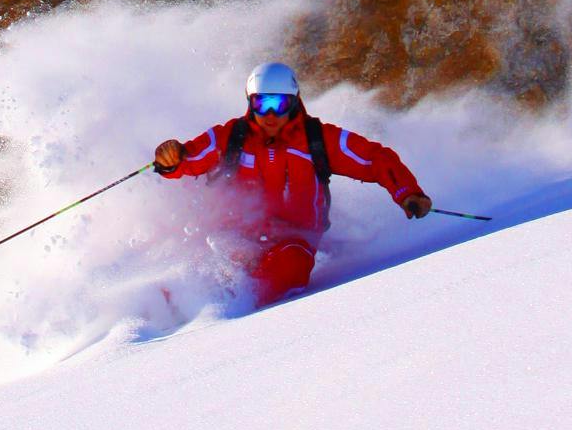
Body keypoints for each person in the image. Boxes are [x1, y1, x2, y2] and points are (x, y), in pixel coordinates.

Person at [153, 62, 432, 306]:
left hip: (293, 240)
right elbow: (189, 158)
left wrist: (407, 192)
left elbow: (374, 159)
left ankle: (238, 311)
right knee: (199, 265)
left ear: (295, 102)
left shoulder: (318, 139)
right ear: (250, 103)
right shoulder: (232, 136)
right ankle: (166, 309)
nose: (271, 114)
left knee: (291, 267)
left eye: (280, 104)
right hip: (236, 238)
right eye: (263, 104)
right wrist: (171, 158)